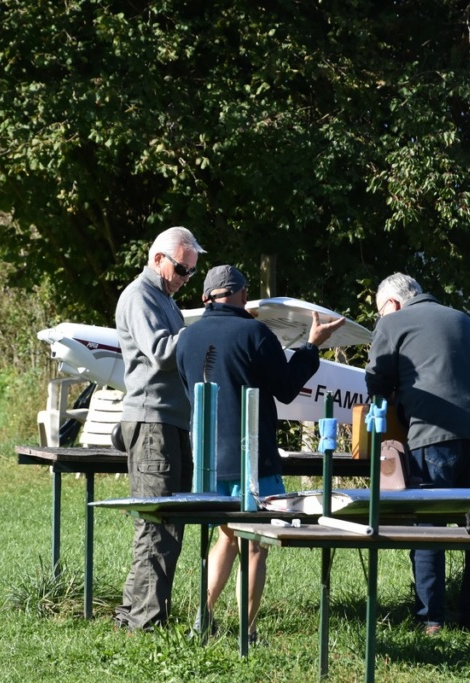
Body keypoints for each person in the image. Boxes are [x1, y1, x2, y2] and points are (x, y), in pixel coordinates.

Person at [176, 265, 345, 642]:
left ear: (206, 297)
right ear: (240, 294)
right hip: (252, 457)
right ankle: (247, 632)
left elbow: (191, 389)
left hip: (206, 459)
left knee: (226, 536)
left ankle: (202, 620)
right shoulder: (255, 332)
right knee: (255, 545)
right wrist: (311, 346)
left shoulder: (186, 338)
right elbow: (286, 388)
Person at [364, 273, 470, 634]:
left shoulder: (393, 323)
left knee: (428, 526)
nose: (380, 318)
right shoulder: (462, 320)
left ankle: (431, 619)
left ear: (391, 304)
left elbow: (376, 383)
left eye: (379, 312)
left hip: (432, 433)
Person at [113, 225, 206, 632]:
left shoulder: (164, 298)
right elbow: (162, 352)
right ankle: (146, 624)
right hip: (152, 421)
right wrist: (200, 333)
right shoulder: (140, 296)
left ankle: (132, 617)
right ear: (158, 260)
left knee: (164, 522)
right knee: (158, 524)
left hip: (169, 421)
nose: (186, 280)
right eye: (182, 270)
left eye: (190, 273)